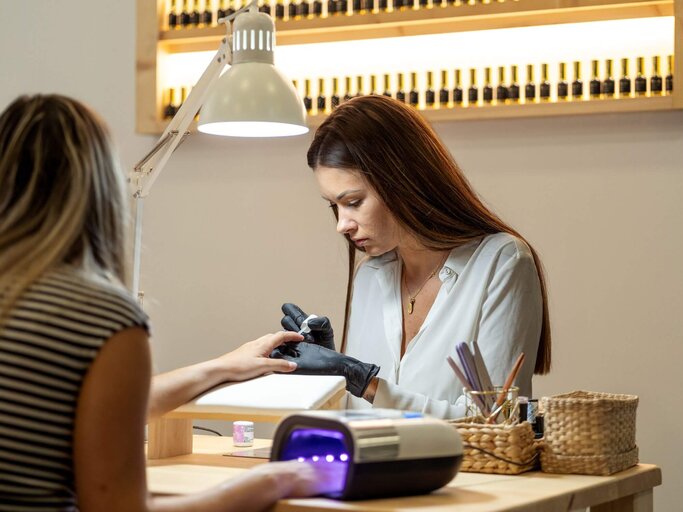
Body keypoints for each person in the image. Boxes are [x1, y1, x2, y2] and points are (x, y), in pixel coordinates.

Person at [0, 94, 339, 512]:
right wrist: (272, 481)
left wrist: (223, 367)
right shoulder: (100, 318)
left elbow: (92, 408)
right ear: (102, 189)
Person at [272, 95, 551, 419]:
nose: (341, 225)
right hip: (376, 469)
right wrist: (331, 374)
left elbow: (495, 420)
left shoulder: (501, 263)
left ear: (401, 181)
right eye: (334, 205)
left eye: (354, 202)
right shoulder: (371, 276)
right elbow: (361, 419)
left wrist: (365, 381)